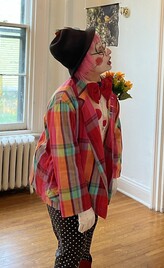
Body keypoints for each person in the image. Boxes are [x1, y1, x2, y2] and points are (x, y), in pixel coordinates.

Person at [31, 27, 123, 268]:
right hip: (62, 187)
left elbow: (112, 137)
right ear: (84, 63)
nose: (108, 51)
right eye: (100, 50)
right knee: (70, 250)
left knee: (84, 246)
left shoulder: (108, 95)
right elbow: (65, 160)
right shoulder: (63, 101)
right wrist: (81, 206)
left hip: (92, 179)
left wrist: (113, 173)